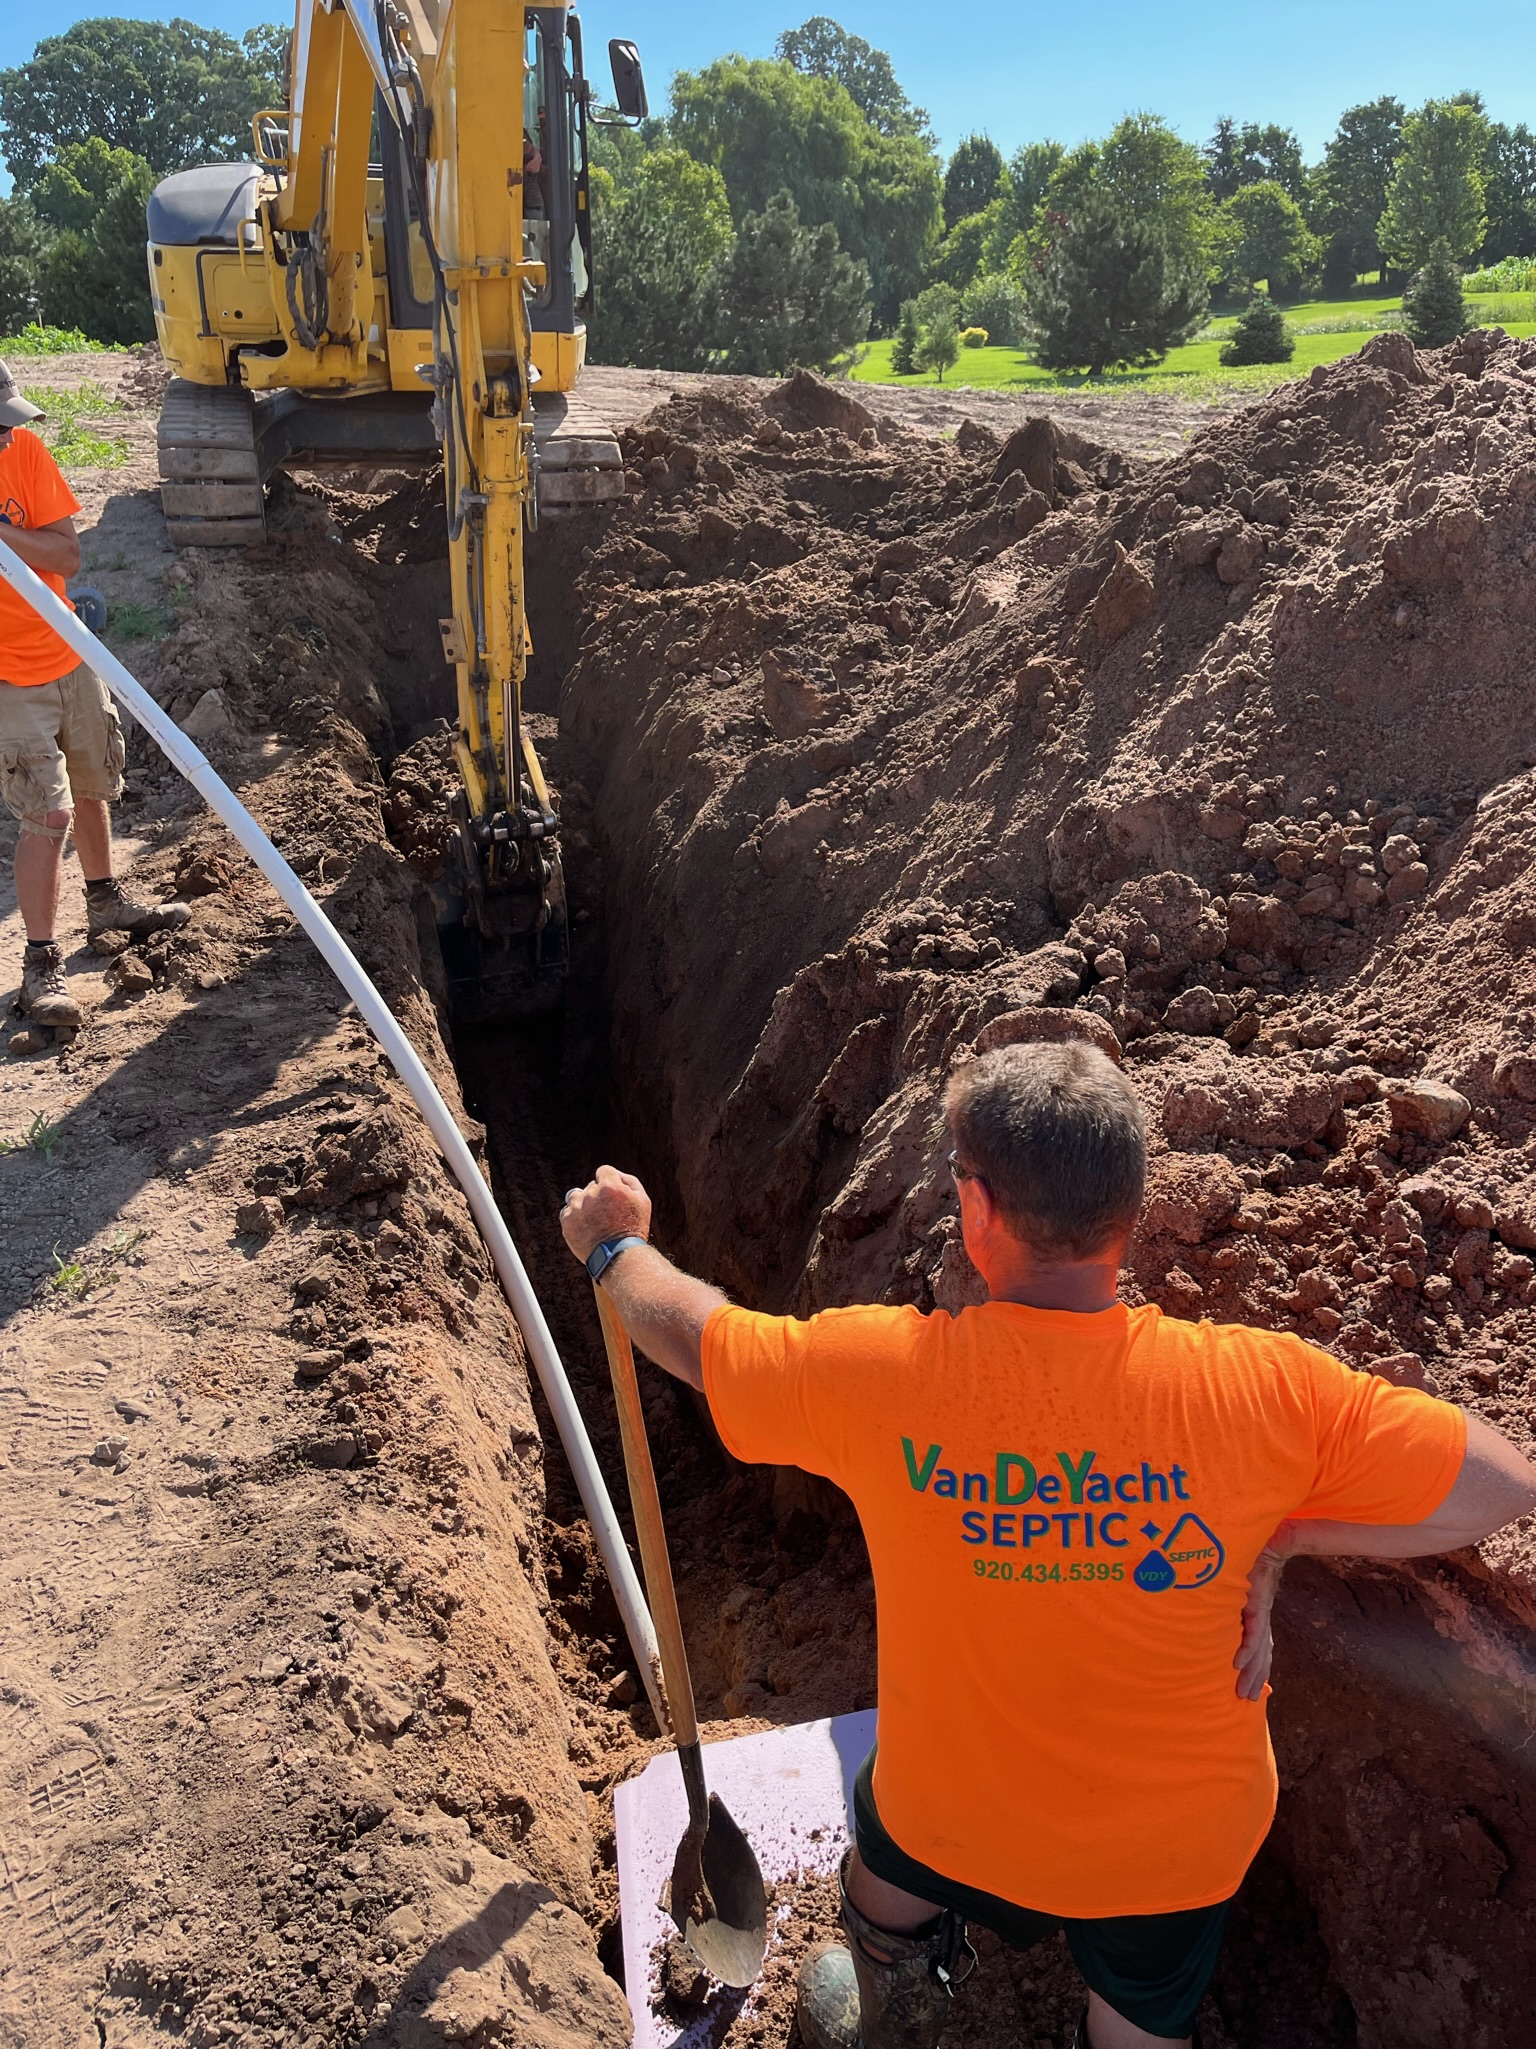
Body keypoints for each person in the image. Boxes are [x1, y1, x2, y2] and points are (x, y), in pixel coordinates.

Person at [558, 1039, 1536, 2049]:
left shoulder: (887, 1378)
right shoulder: (1257, 1391)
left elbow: (699, 1340)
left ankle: (893, 1984)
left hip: (952, 1814)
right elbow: (1500, 1486)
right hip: (1171, 1855)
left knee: (887, 1841)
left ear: (978, 1212)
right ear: (1128, 1209)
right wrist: (1276, 1540)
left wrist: (616, 1249)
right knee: (1144, 2013)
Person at [0, 361, 187, 1030]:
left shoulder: (24, 451)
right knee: (45, 817)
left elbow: (66, 556)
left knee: (93, 780)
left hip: (66, 649)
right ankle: (40, 963)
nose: (8, 435)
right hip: (9, 678)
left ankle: (105, 900)